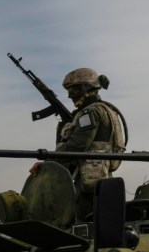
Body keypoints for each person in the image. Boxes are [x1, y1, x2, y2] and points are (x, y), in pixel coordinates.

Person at [30, 67, 127, 222]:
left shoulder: (91, 112)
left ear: (86, 88)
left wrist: (49, 163)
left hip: (88, 185)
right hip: (102, 179)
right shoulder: (108, 110)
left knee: (83, 227)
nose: (70, 96)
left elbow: (77, 145)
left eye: (73, 91)